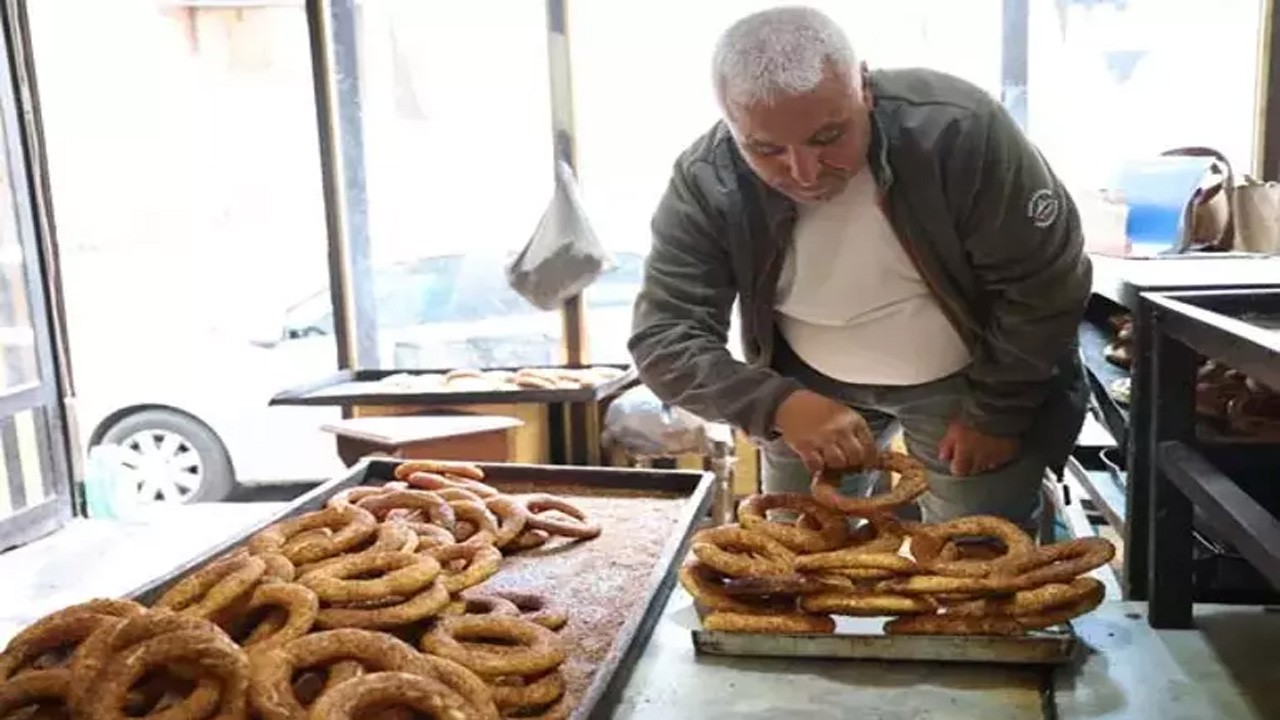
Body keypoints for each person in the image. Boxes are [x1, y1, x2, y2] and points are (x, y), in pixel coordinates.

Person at [628, 6, 1091, 530]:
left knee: (978, 556)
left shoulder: (959, 130)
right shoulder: (707, 180)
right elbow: (664, 337)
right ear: (730, 126)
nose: (803, 173)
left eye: (828, 137)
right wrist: (776, 405)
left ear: (864, 87)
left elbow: (1045, 283)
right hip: (807, 381)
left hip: (975, 373)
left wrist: (999, 412)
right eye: (765, 149)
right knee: (796, 557)